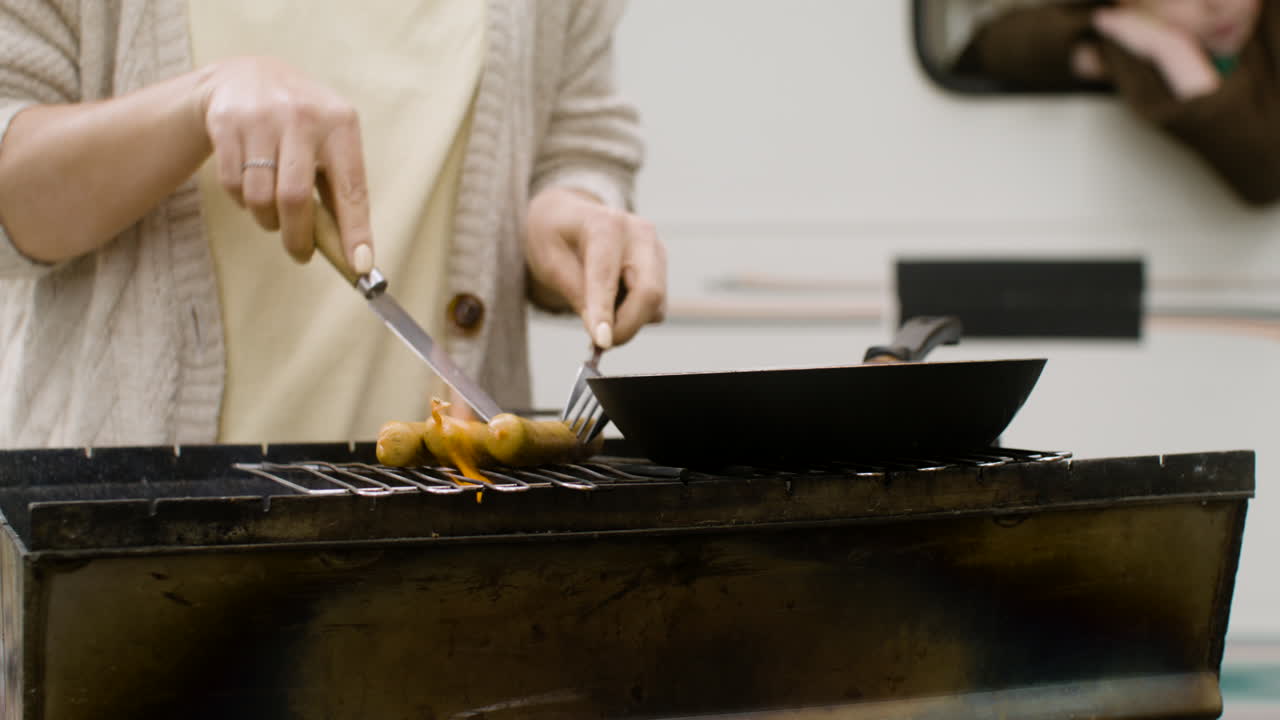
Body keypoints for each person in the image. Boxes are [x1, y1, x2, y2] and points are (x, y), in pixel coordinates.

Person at [0, 1, 667, 447]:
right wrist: (196, 103)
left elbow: (578, 143)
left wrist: (569, 209)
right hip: (117, 558)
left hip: (447, 565)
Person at [955, 0, 1280, 206]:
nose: (1217, 4)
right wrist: (1098, 52)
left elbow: (1264, 173)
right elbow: (992, 47)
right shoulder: (1117, 22)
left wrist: (1179, 60)